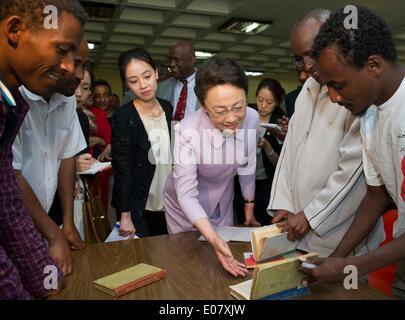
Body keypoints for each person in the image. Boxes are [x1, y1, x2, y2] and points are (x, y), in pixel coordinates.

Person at [302, 6, 405, 299]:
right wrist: (338, 257)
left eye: (338, 85)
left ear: (373, 65)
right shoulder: (370, 116)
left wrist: (350, 266)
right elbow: (376, 195)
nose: (333, 98)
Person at [267, 9, 385, 258]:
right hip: (297, 228)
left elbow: (353, 171)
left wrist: (311, 215)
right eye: (298, 58)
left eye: (311, 54)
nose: (306, 66)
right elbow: (290, 152)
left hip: (338, 235)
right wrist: (285, 204)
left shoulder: (355, 93)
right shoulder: (306, 91)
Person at [0, 0, 87, 299]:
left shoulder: (12, 104)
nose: (68, 69)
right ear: (14, 30)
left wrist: (43, 277)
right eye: (62, 51)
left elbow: (8, 201)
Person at [164, 57, 259, 277]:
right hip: (184, 205)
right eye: (220, 111)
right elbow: (186, 193)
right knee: (190, 263)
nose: (232, 118)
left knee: (224, 263)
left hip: (222, 198)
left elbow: (247, 161)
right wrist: (212, 236)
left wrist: (249, 202)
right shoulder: (186, 131)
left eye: (238, 106)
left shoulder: (252, 118)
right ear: (204, 107)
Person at [13, 37, 89, 271]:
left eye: (85, 65)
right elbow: (9, 171)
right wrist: (54, 234)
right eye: (75, 64)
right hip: (14, 215)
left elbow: (66, 156)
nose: (80, 75)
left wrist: (67, 222)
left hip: (47, 216)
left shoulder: (66, 101)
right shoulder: (15, 96)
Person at [111, 48, 173, 237]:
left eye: (146, 76)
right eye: (133, 81)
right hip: (140, 205)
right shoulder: (124, 117)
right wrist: (125, 215)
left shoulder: (167, 107)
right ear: (126, 84)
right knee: (146, 262)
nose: (143, 85)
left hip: (170, 200)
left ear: (156, 73)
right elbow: (122, 170)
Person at [235, 78, 285, 226]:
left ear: (276, 102)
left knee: (263, 222)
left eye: (269, 102)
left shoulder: (280, 124)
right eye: (260, 100)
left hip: (265, 183)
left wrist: (267, 146)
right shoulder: (246, 117)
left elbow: (280, 163)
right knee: (242, 220)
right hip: (240, 181)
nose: (263, 105)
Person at [122, 40, 200, 120]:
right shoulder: (161, 87)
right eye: (170, 59)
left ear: (192, 60)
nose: (172, 64)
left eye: (177, 60)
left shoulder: (208, 84)